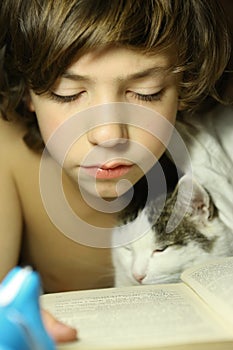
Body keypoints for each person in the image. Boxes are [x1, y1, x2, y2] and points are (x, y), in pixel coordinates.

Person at [0, 0, 231, 344]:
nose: (109, 134)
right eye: (69, 94)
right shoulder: (8, 156)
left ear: (183, 89)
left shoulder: (210, 160)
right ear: (30, 91)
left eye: (145, 93)